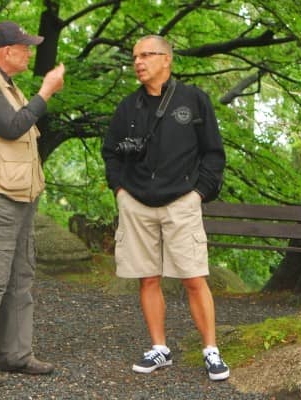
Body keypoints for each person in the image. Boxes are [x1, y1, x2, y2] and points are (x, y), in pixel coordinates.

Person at [101, 35, 229, 381]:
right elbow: (110, 152)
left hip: (182, 202)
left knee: (193, 277)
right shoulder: (128, 106)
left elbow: (213, 153)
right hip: (136, 202)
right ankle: (160, 348)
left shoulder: (194, 100)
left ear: (166, 59)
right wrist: (120, 191)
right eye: (135, 57)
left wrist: (199, 193)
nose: (138, 62)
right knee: (147, 278)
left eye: (146, 55)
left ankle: (211, 350)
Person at [0, 21, 65, 387]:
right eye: (25, 47)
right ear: (6, 51)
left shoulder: (5, 84)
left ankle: (16, 355)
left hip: (18, 195)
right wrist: (45, 92)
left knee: (20, 278)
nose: (30, 53)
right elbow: (12, 126)